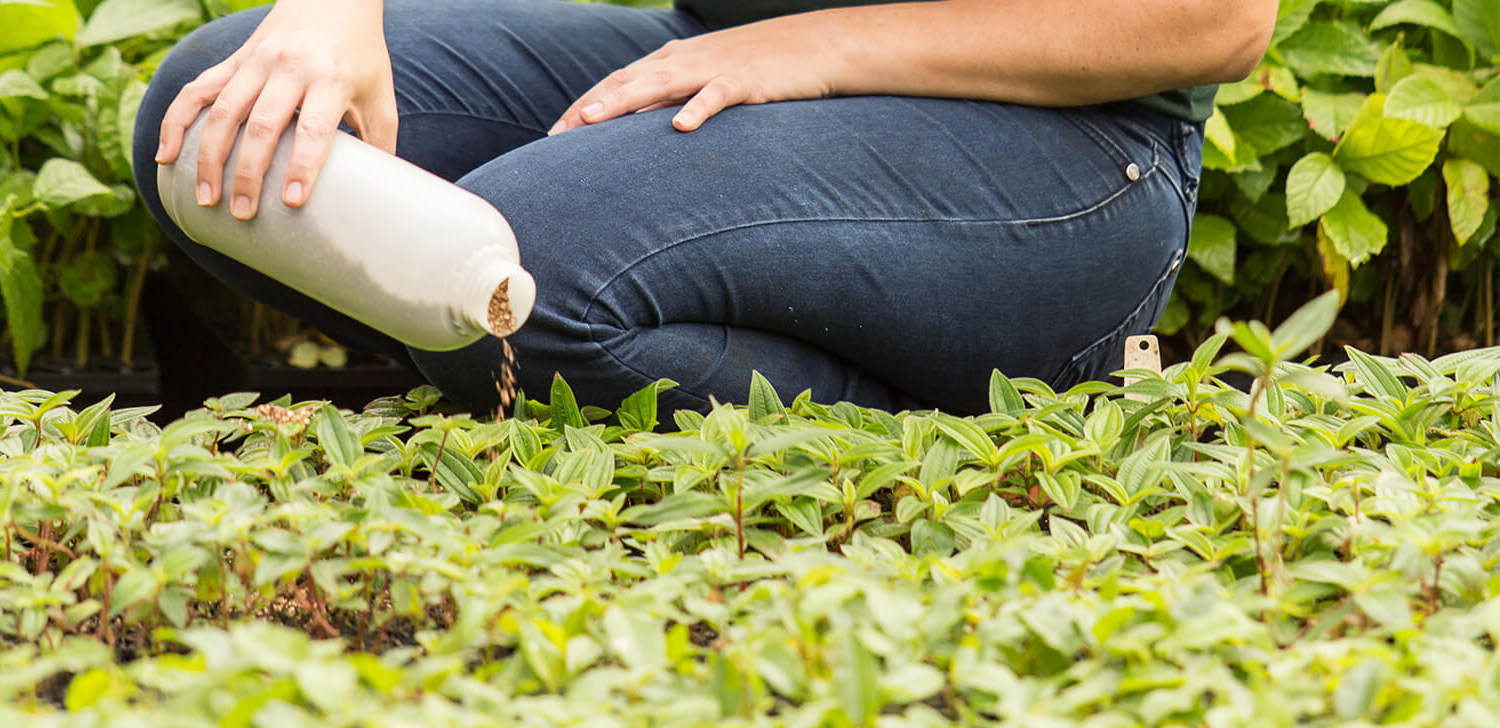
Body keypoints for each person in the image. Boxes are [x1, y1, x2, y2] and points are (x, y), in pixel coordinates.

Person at [134, 0, 1277, 416]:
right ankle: (576, 360)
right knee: (219, 125)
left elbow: (1213, 17)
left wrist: (814, 47)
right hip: (719, 51)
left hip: (1064, 149)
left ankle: (988, 399)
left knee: (511, 279)